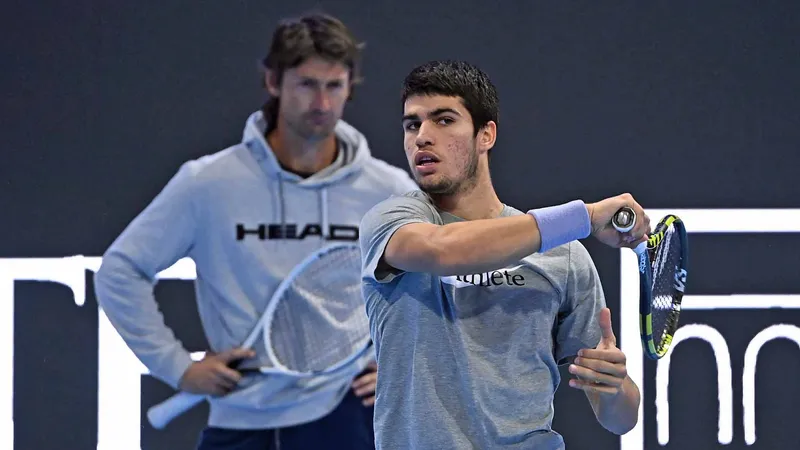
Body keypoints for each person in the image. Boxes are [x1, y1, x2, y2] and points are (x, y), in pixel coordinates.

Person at [94, 12, 417, 450]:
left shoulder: (388, 189)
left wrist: (403, 363)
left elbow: (434, 285)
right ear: (273, 82)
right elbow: (120, 270)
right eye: (306, 84)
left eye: (334, 86)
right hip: (241, 418)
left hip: (347, 418)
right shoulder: (207, 183)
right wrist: (178, 368)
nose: (321, 103)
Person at [358, 60, 646, 450]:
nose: (422, 137)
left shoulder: (562, 256)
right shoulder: (392, 224)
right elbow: (443, 251)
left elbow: (620, 420)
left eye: (443, 120)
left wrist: (614, 387)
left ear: (486, 134)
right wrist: (585, 216)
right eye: (412, 125)